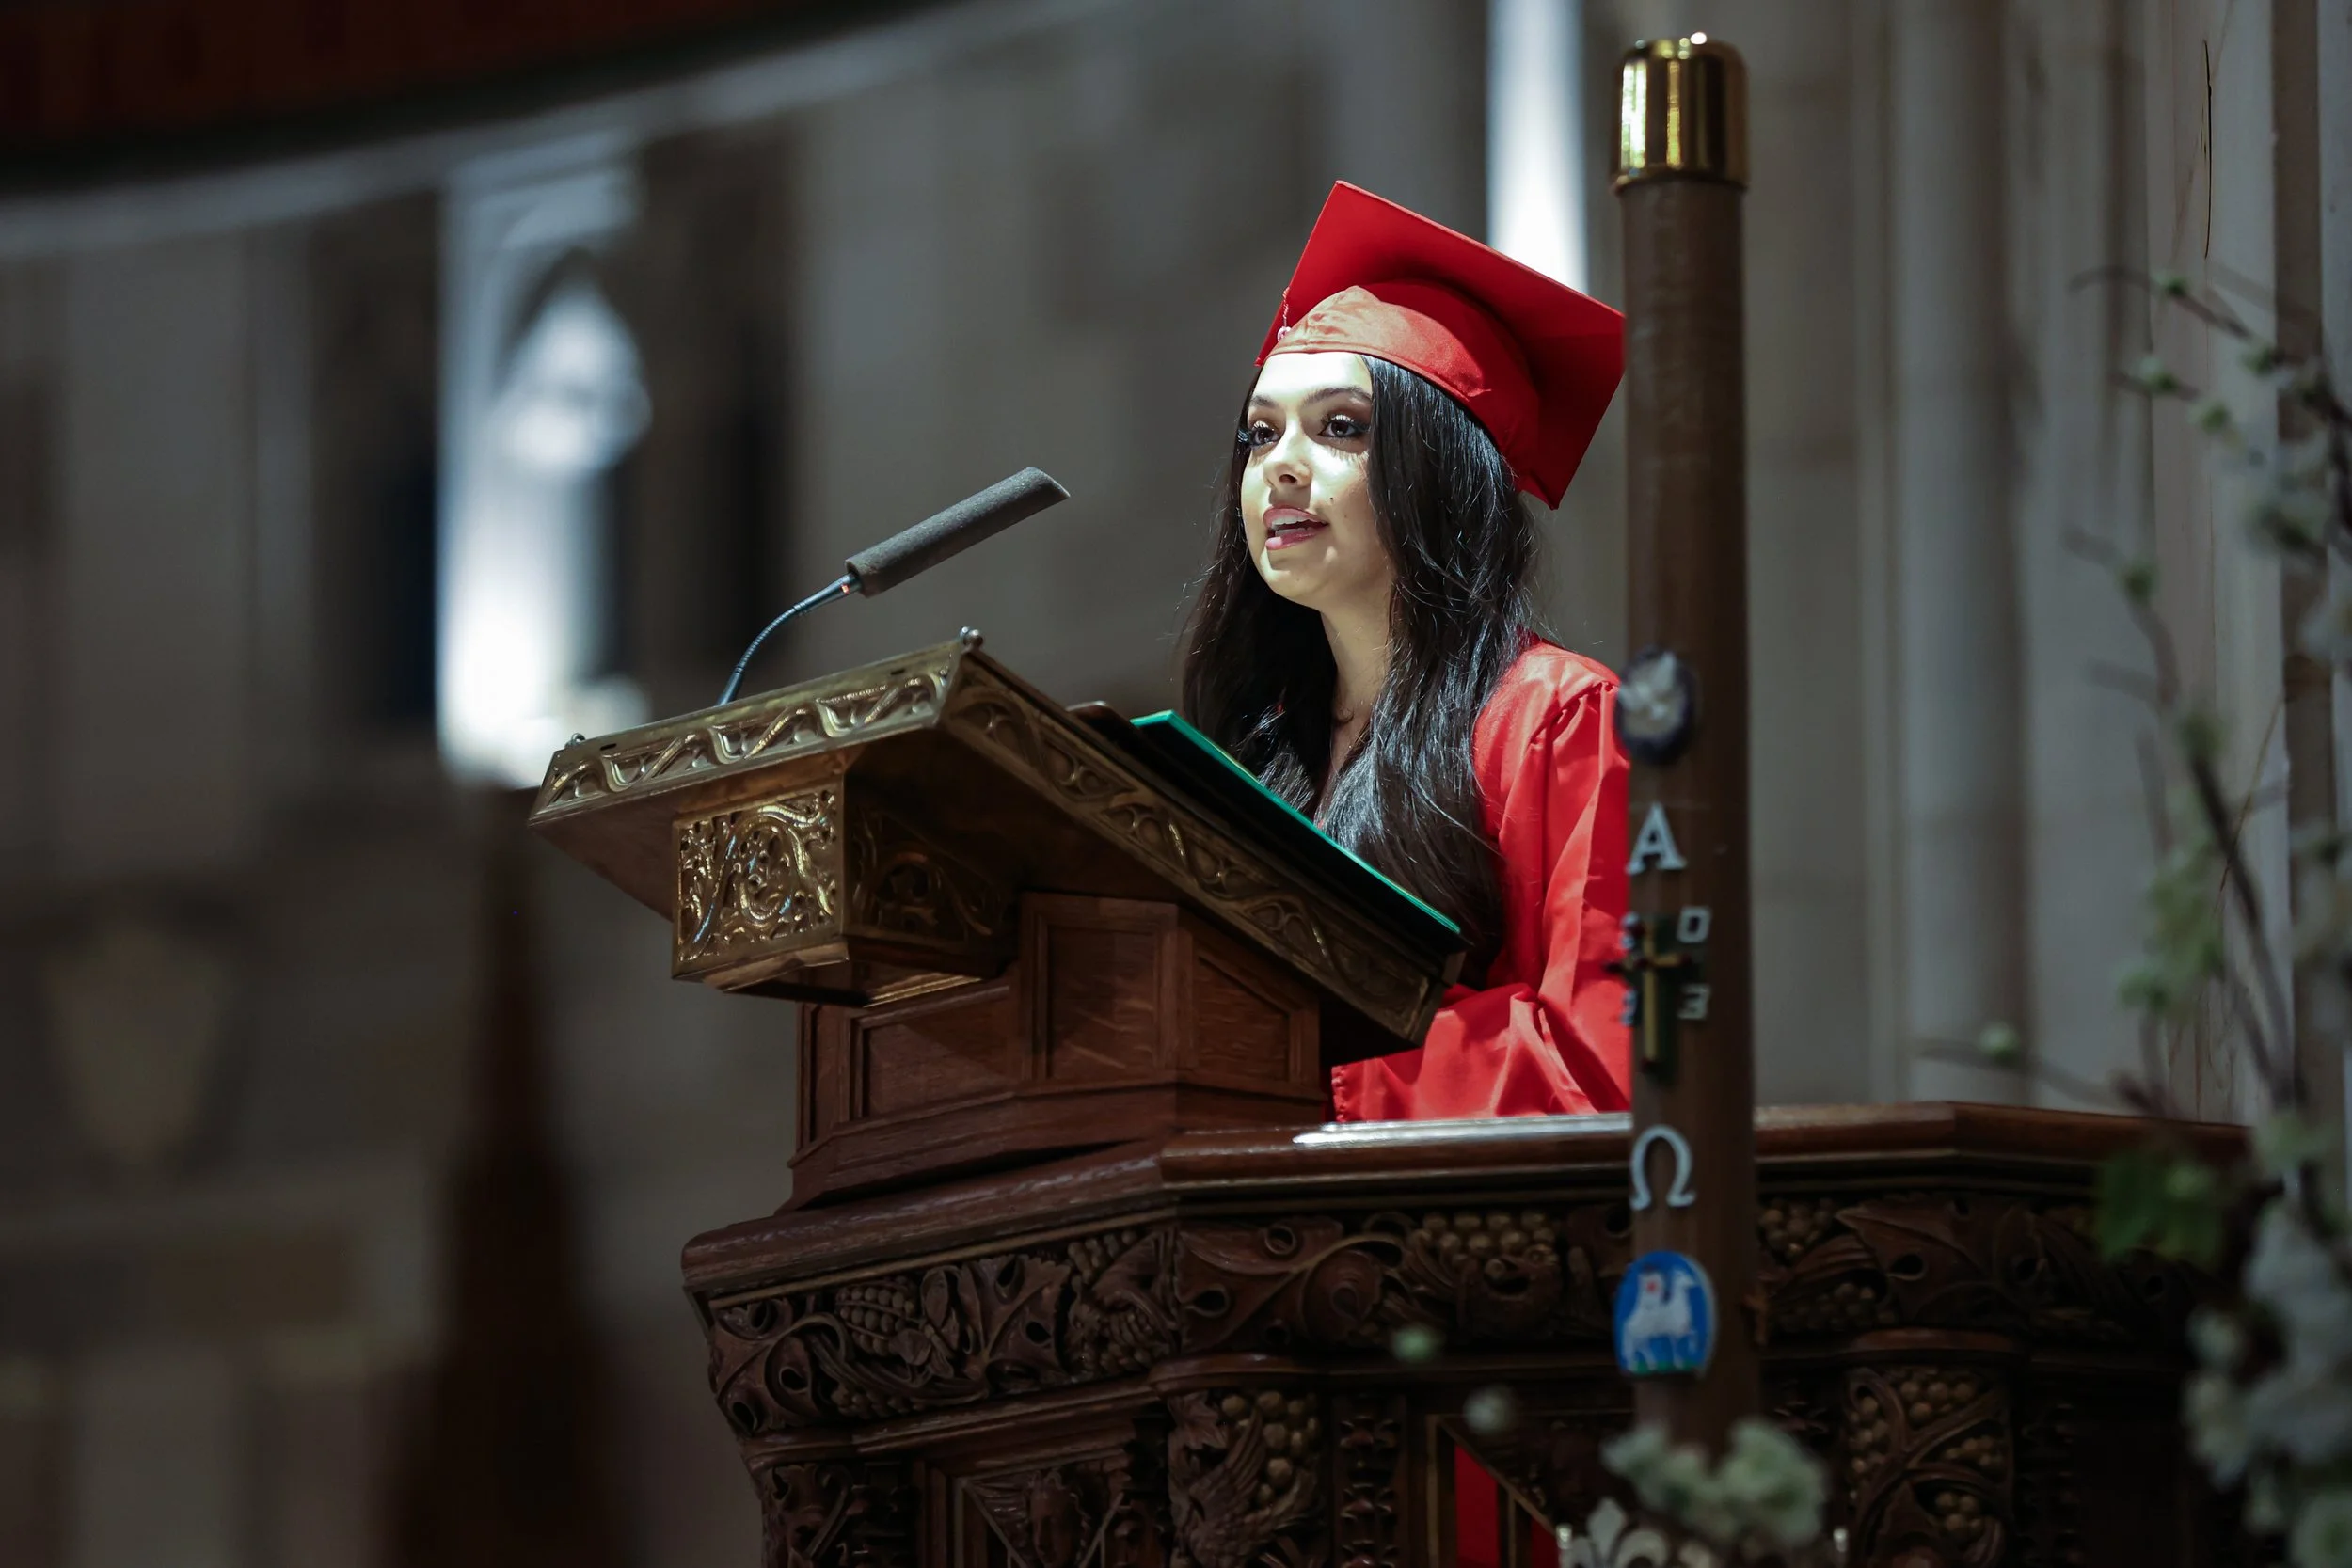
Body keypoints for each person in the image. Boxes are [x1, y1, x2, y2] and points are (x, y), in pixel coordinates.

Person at [1180, 182, 1630, 1122]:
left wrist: (1310, 1079)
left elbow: (1595, 1063)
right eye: (1259, 435)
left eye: (1339, 427)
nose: (1280, 467)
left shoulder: (1557, 717)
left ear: (1439, 473)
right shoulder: (1259, 753)